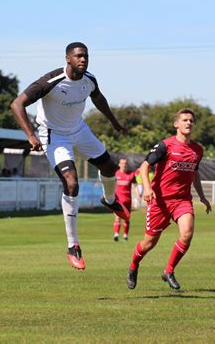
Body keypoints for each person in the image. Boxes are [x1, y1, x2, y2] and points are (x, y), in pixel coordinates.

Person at [10, 42, 129, 271]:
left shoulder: (89, 80)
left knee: (109, 167)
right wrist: (30, 135)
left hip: (79, 129)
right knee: (71, 183)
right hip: (54, 135)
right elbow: (17, 104)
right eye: (78, 56)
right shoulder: (51, 81)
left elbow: (99, 99)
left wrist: (114, 123)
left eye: (85, 56)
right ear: (68, 59)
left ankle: (110, 200)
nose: (83, 59)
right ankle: (73, 246)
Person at [126, 108, 212, 290]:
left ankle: (169, 270)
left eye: (191, 120)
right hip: (160, 201)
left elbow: (195, 174)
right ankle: (134, 266)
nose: (189, 123)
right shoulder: (166, 145)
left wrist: (202, 197)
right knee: (149, 243)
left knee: (187, 233)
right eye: (185, 120)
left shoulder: (197, 150)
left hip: (182, 200)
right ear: (176, 124)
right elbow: (144, 166)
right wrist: (148, 189)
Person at [112, 157, 137, 242]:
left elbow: (136, 185)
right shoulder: (116, 174)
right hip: (118, 200)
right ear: (119, 164)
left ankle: (125, 235)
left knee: (126, 218)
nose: (124, 165)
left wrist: (137, 195)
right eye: (122, 163)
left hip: (128, 200)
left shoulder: (131, 174)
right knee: (117, 217)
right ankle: (116, 234)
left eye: (125, 163)